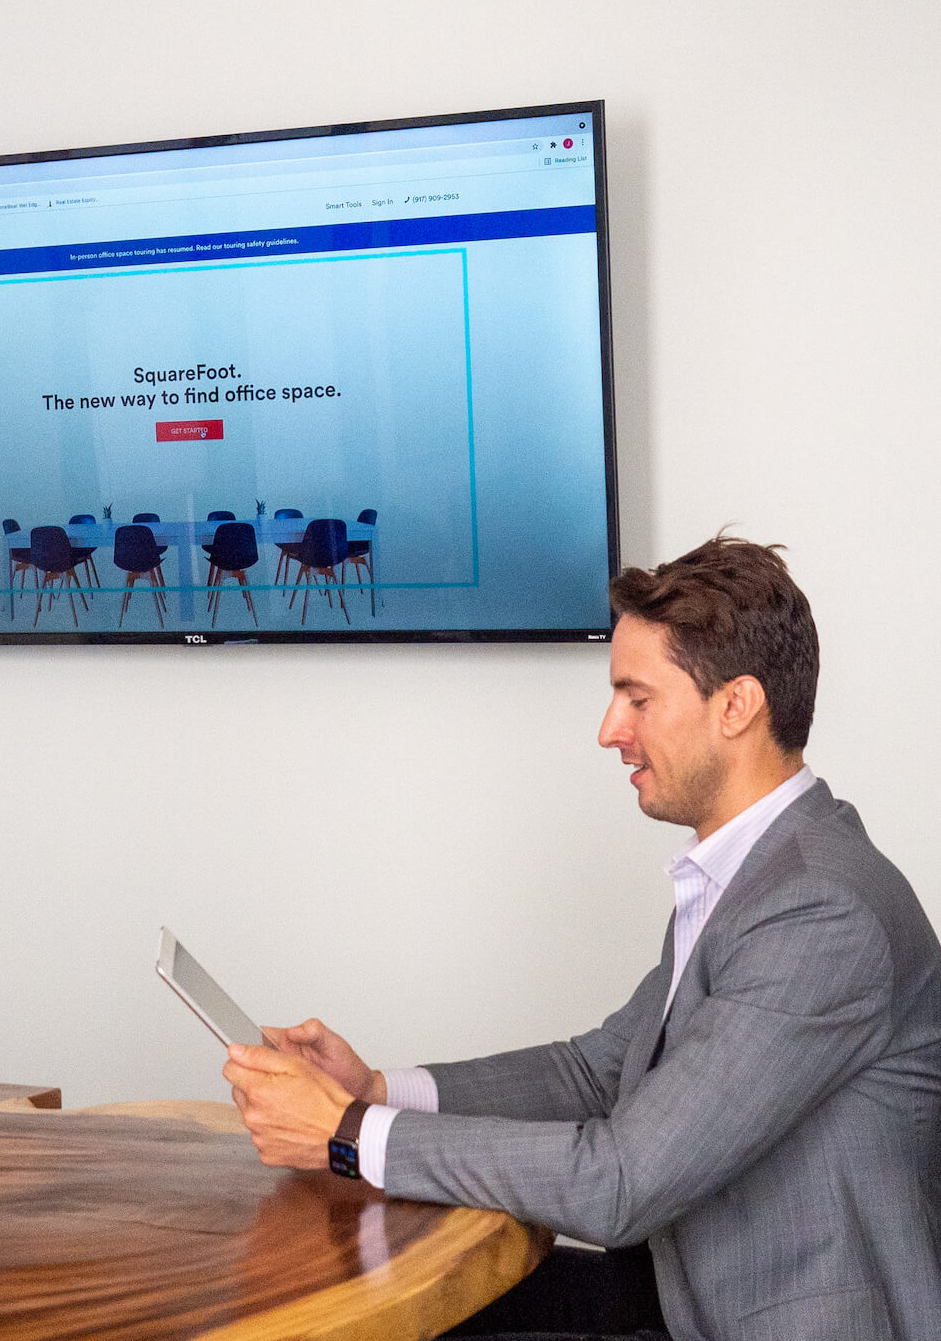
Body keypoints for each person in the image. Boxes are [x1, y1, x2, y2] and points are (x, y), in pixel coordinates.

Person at [222, 537, 941, 1341]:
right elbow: (601, 1069)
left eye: (637, 698)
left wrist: (348, 1136)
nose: (609, 730)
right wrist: (378, 1091)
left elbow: (622, 1179)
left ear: (736, 706)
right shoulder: (757, 872)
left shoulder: (818, 911)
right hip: (682, 1290)